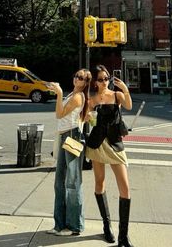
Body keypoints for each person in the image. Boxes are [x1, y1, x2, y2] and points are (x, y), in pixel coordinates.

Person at [86, 65, 134, 247]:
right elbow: (85, 119)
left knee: (125, 189)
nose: (105, 82)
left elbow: (128, 105)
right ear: (95, 82)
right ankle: (106, 226)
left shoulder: (117, 95)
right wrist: (88, 114)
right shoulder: (93, 99)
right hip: (97, 144)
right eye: (100, 79)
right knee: (100, 183)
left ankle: (123, 236)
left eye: (106, 78)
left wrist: (126, 90)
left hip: (115, 144)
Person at [47, 68, 92, 236]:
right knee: (59, 182)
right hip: (65, 135)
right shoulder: (72, 95)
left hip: (72, 136)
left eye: (80, 78)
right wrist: (59, 94)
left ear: (85, 83)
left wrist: (58, 94)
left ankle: (74, 226)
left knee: (72, 182)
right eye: (76, 76)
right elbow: (68, 116)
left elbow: (59, 114)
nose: (76, 79)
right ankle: (59, 224)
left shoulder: (78, 96)